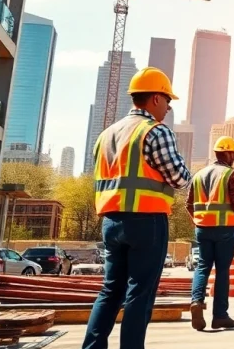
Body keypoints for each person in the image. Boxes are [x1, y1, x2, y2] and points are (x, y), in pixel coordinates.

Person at [83, 67, 191, 349]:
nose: (168, 107)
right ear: (155, 98)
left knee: (110, 290)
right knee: (140, 293)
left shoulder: (106, 134)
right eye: (167, 100)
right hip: (146, 221)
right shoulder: (155, 131)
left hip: (111, 221)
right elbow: (179, 178)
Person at [186, 136, 234, 331]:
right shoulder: (230, 174)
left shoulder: (198, 175)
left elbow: (188, 204)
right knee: (222, 270)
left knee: (203, 266)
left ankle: (197, 301)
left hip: (202, 229)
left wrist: (199, 220)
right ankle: (220, 316)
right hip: (225, 229)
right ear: (229, 154)